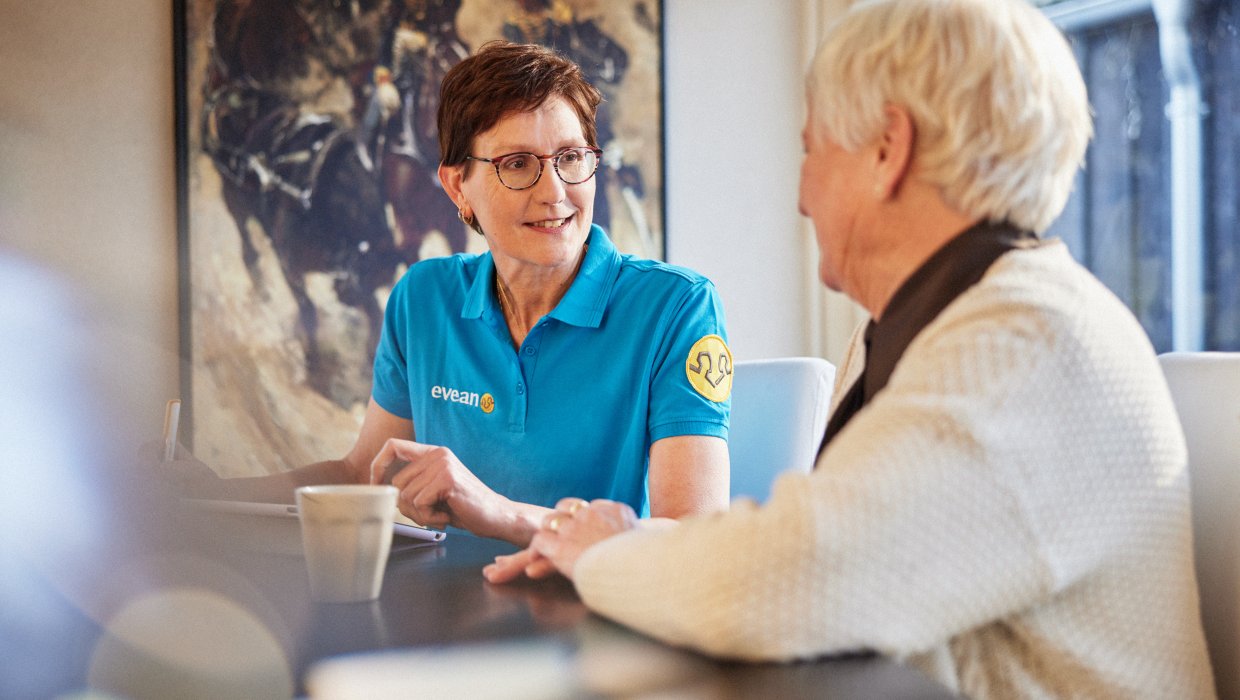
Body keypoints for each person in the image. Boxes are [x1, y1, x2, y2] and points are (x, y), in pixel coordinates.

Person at [484, 1, 1216, 697]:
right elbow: (831, 550)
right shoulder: (930, 327)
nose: (802, 195)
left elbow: (796, 581)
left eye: (811, 149)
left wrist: (606, 551)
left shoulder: (1027, 346)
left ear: (888, 151)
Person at [180, 41, 732, 546]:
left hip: (591, 628)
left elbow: (693, 539)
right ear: (457, 186)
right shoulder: (422, 299)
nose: (555, 192)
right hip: (441, 623)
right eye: (517, 164)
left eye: (570, 157)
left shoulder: (677, 308)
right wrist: (206, 496)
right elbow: (359, 475)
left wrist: (495, 509)